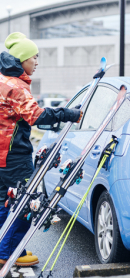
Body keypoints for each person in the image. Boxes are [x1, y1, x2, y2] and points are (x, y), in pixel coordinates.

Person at [0, 32, 83, 266]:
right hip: (14, 157)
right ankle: (9, 253)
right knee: (25, 202)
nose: (36, 62)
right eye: (34, 57)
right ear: (22, 58)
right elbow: (36, 116)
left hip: (1, 157)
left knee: (3, 203)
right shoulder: (16, 86)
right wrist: (70, 114)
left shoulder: (2, 80)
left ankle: (4, 248)